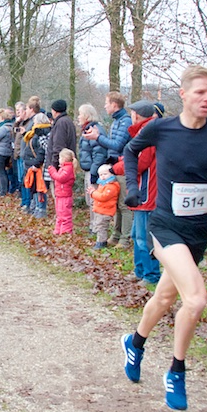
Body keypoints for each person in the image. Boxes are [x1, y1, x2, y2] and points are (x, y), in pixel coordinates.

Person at [120, 66, 207, 411]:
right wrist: (133, 187)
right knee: (195, 300)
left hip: (199, 231)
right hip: (165, 226)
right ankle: (176, 371)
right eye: (200, 92)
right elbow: (130, 152)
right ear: (183, 94)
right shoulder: (161, 128)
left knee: (165, 296)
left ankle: (135, 343)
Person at [83, 91, 133, 247]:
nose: (104, 106)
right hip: (114, 167)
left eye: (106, 103)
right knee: (117, 204)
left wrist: (98, 137)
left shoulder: (125, 121)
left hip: (124, 167)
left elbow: (117, 145)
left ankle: (125, 239)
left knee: (124, 205)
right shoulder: (116, 121)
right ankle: (116, 235)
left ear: (114, 104)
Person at [127, 100, 162, 285]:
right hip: (141, 190)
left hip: (146, 192)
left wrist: (119, 167)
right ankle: (139, 270)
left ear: (136, 115)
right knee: (136, 235)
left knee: (144, 237)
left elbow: (141, 163)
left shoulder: (147, 133)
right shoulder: (144, 131)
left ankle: (151, 274)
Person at [77, 103, 109, 207]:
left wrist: (94, 173)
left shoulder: (94, 130)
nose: (78, 117)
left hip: (93, 171)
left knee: (94, 202)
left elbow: (99, 154)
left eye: (80, 114)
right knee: (90, 201)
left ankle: (96, 219)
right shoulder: (87, 129)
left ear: (87, 115)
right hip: (89, 169)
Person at [23, 112, 52, 218]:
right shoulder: (37, 133)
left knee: (39, 187)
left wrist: (36, 163)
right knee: (35, 187)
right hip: (33, 163)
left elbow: (42, 150)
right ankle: (36, 207)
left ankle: (40, 208)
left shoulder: (41, 133)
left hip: (37, 164)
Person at [90, 163, 120, 249]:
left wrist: (93, 193)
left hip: (106, 210)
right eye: (101, 175)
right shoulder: (102, 184)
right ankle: (100, 240)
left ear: (111, 174)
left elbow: (103, 197)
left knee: (102, 227)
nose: (103, 176)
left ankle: (101, 242)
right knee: (99, 225)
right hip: (100, 209)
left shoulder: (111, 186)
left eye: (105, 174)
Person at [48, 148, 76, 234]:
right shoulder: (63, 168)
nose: (59, 160)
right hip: (60, 194)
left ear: (64, 159)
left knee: (65, 214)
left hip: (65, 195)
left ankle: (66, 231)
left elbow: (60, 178)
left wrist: (52, 171)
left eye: (60, 158)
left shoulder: (68, 169)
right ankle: (58, 229)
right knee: (59, 213)